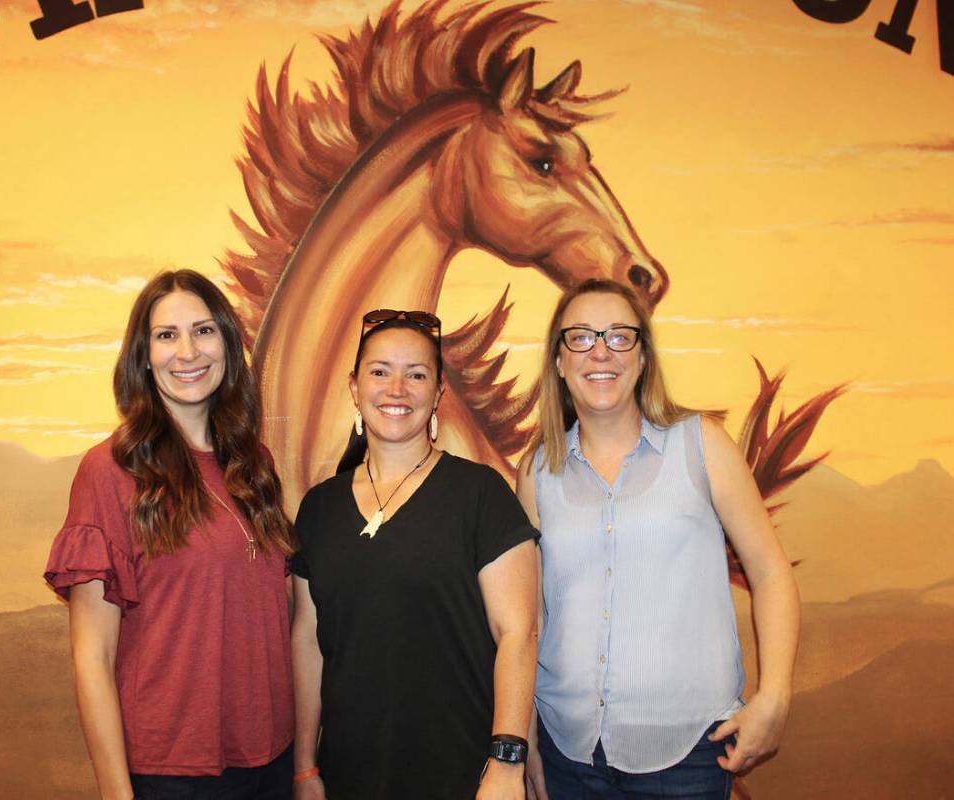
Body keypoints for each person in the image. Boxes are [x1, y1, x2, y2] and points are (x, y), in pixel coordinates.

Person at [516, 279, 800, 800]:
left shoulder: (702, 444)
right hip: (568, 756)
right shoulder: (536, 471)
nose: (600, 351)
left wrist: (775, 695)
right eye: (579, 337)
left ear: (643, 356)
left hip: (688, 756)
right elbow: (530, 618)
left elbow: (770, 571)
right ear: (558, 361)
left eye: (619, 336)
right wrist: (524, 736)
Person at [43, 269, 296, 800]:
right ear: (143, 355)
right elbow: (91, 657)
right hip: (172, 773)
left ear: (227, 343)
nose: (188, 351)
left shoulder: (255, 465)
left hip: (271, 760)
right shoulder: (109, 471)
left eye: (203, 331)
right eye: (166, 335)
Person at [290, 309, 539, 800]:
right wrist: (304, 768)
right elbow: (307, 642)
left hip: (465, 776)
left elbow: (519, 633)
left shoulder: (481, 494)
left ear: (438, 392)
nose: (396, 389)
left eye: (416, 374)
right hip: (348, 776)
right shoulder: (318, 508)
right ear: (354, 387)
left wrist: (507, 762)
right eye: (380, 372)